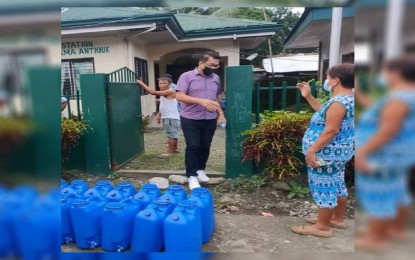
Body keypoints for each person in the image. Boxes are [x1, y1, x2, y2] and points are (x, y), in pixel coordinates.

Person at [354, 56, 415, 251]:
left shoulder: (398, 98)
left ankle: (376, 238)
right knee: (398, 191)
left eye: (386, 71)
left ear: (395, 73)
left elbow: (388, 129)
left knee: (379, 194)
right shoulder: (407, 94)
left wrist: (363, 152)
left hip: (383, 154)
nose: (384, 75)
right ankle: (396, 229)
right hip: (400, 154)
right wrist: (361, 94)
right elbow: (379, 111)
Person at [291, 63, 355, 238]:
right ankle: (337, 219)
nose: (326, 80)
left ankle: (322, 227)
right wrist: (308, 96)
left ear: (336, 80)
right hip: (340, 153)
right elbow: (325, 113)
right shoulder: (350, 98)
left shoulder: (339, 102)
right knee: (338, 185)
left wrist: (311, 151)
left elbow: (331, 130)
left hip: (326, 153)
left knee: (324, 187)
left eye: (328, 77)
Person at [176, 51, 226, 190]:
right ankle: (191, 175)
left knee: (205, 146)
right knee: (193, 146)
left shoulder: (216, 78)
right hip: (190, 117)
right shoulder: (187, 76)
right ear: (201, 63)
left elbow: (216, 98)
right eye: (211, 65)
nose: (214, 68)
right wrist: (201, 101)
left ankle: (200, 170)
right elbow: (179, 96)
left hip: (209, 118)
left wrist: (220, 114)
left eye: (216, 66)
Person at [136, 77, 180, 157]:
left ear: (169, 84)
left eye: (164, 83)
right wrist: (159, 115)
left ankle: (169, 151)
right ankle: (175, 149)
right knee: (173, 134)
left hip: (171, 117)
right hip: (168, 116)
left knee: (171, 135)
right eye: (160, 83)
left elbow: (152, 92)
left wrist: (142, 84)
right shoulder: (164, 93)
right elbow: (164, 104)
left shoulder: (170, 91)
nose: (162, 85)